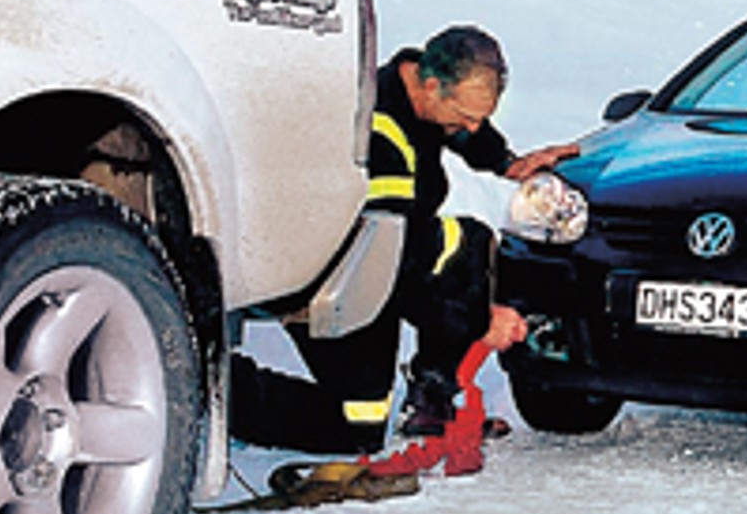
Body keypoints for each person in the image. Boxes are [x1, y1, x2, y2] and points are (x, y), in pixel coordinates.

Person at [230, 24, 578, 455]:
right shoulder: (379, 136)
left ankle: (432, 400)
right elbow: (397, 257)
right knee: (356, 425)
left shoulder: (421, 89)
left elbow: (463, 133)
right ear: (431, 87)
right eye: (467, 115)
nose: (473, 126)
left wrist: (507, 163)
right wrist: (480, 320)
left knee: (464, 249)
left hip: (367, 259)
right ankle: (221, 390)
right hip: (332, 274)